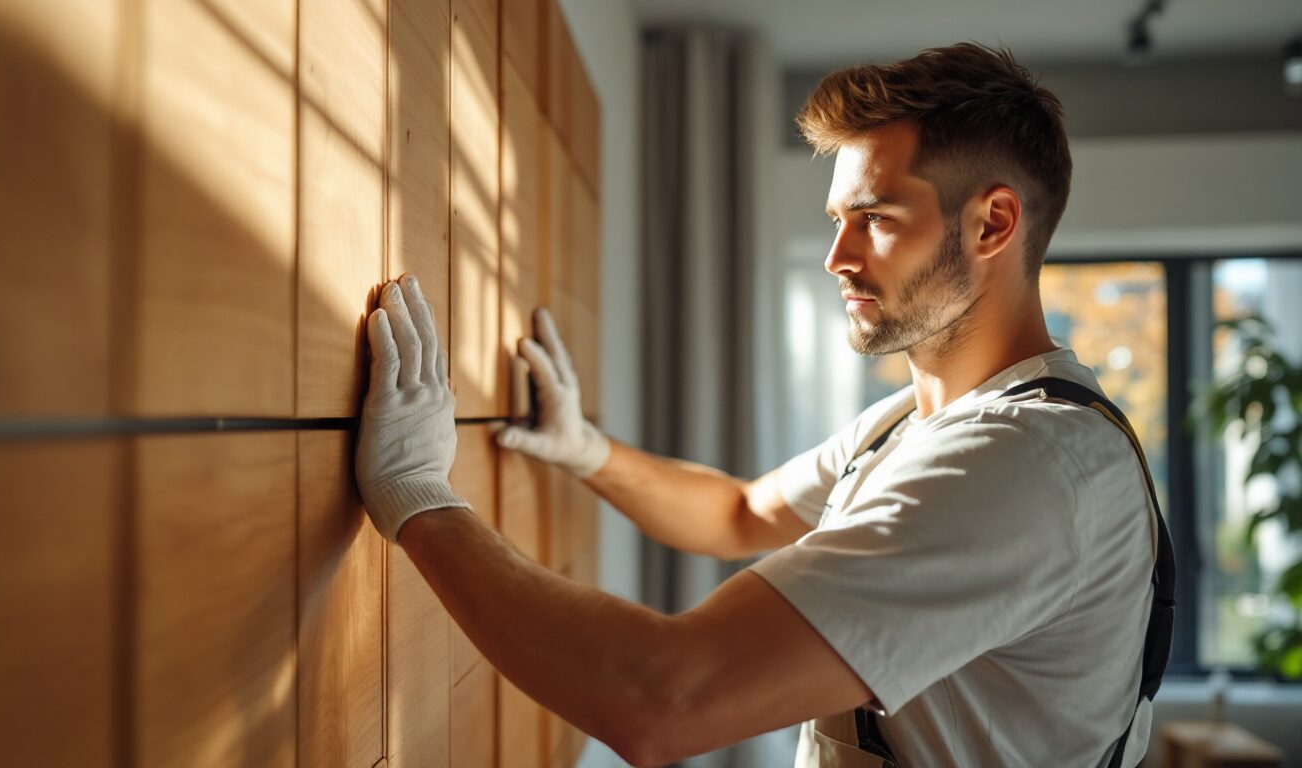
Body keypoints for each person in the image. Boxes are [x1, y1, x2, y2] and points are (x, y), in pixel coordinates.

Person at [353, 43, 1163, 767]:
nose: (836, 257)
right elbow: (738, 514)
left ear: (993, 224)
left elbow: (662, 700)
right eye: (838, 219)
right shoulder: (911, 425)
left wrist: (419, 495)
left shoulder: (1024, 462)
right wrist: (583, 448)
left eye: (875, 219)